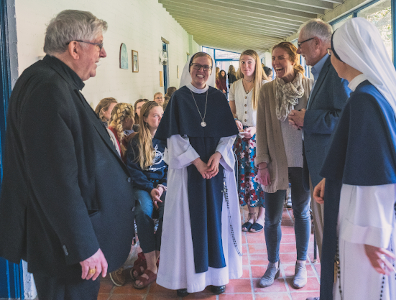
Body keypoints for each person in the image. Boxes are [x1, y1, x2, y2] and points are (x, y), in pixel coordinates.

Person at [0, 10, 135, 300]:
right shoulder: (47, 88)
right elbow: (54, 181)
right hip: (66, 253)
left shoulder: (54, 82)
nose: (104, 52)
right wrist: (83, 247)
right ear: (75, 48)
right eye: (98, 44)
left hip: (68, 248)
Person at [312, 18, 396, 300]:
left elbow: (378, 176)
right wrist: (332, 181)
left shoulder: (365, 99)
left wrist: (371, 237)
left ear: (346, 55)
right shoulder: (374, 93)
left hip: (366, 226)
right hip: (370, 216)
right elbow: (360, 156)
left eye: (332, 52)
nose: (330, 58)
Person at [155, 52, 242, 297]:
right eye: (198, 66)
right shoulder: (179, 98)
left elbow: (228, 134)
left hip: (215, 170)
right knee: (186, 221)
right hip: (188, 173)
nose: (202, 71)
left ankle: (217, 276)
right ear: (190, 67)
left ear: (212, 70)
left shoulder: (217, 97)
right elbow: (173, 136)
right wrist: (197, 162)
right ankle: (186, 279)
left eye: (207, 67)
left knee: (217, 219)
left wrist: (216, 156)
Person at [288, 19, 350, 259]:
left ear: (317, 43)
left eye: (300, 44)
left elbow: (344, 118)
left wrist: (308, 119)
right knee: (324, 238)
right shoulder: (321, 71)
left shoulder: (335, 72)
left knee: (330, 241)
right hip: (320, 166)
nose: (299, 50)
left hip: (329, 168)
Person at [256, 42, 313, 289]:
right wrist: (262, 163)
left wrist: (306, 121)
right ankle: (273, 264)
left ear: (293, 59)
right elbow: (262, 130)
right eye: (273, 59)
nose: (276, 63)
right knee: (271, 219)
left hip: (303, 162)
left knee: (301, 213)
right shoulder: (267, 91)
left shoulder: (310, 87)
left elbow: (322, 123)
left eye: (281, 58)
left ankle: (301, 264)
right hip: (276, 163)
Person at [126, 101, 167, 289]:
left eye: (161, 115)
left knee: (169, 212)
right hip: (143, 186)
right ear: (145, 118)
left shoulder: (167, 139)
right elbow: (133, 170)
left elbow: (172, 167)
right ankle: (152, 266)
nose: (159, 119)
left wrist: (161, 187)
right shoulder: (136, 140)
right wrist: (150, 188)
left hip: (163, 187)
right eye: (155, 115)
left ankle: (152, 260)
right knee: (143, 211)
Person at [228, 49, 268, 233]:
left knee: (259, 176)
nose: (246, 66)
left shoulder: (266, 85)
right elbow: (232, 112)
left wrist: (256, 129)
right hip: (242, 138)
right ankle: (250, 215)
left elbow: (271, 116)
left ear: (256, 63)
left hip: (260, 137)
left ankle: (261, 215)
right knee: (244, 177)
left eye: (249, 62)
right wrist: (235, 121)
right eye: (242, 62)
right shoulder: (235, 85)